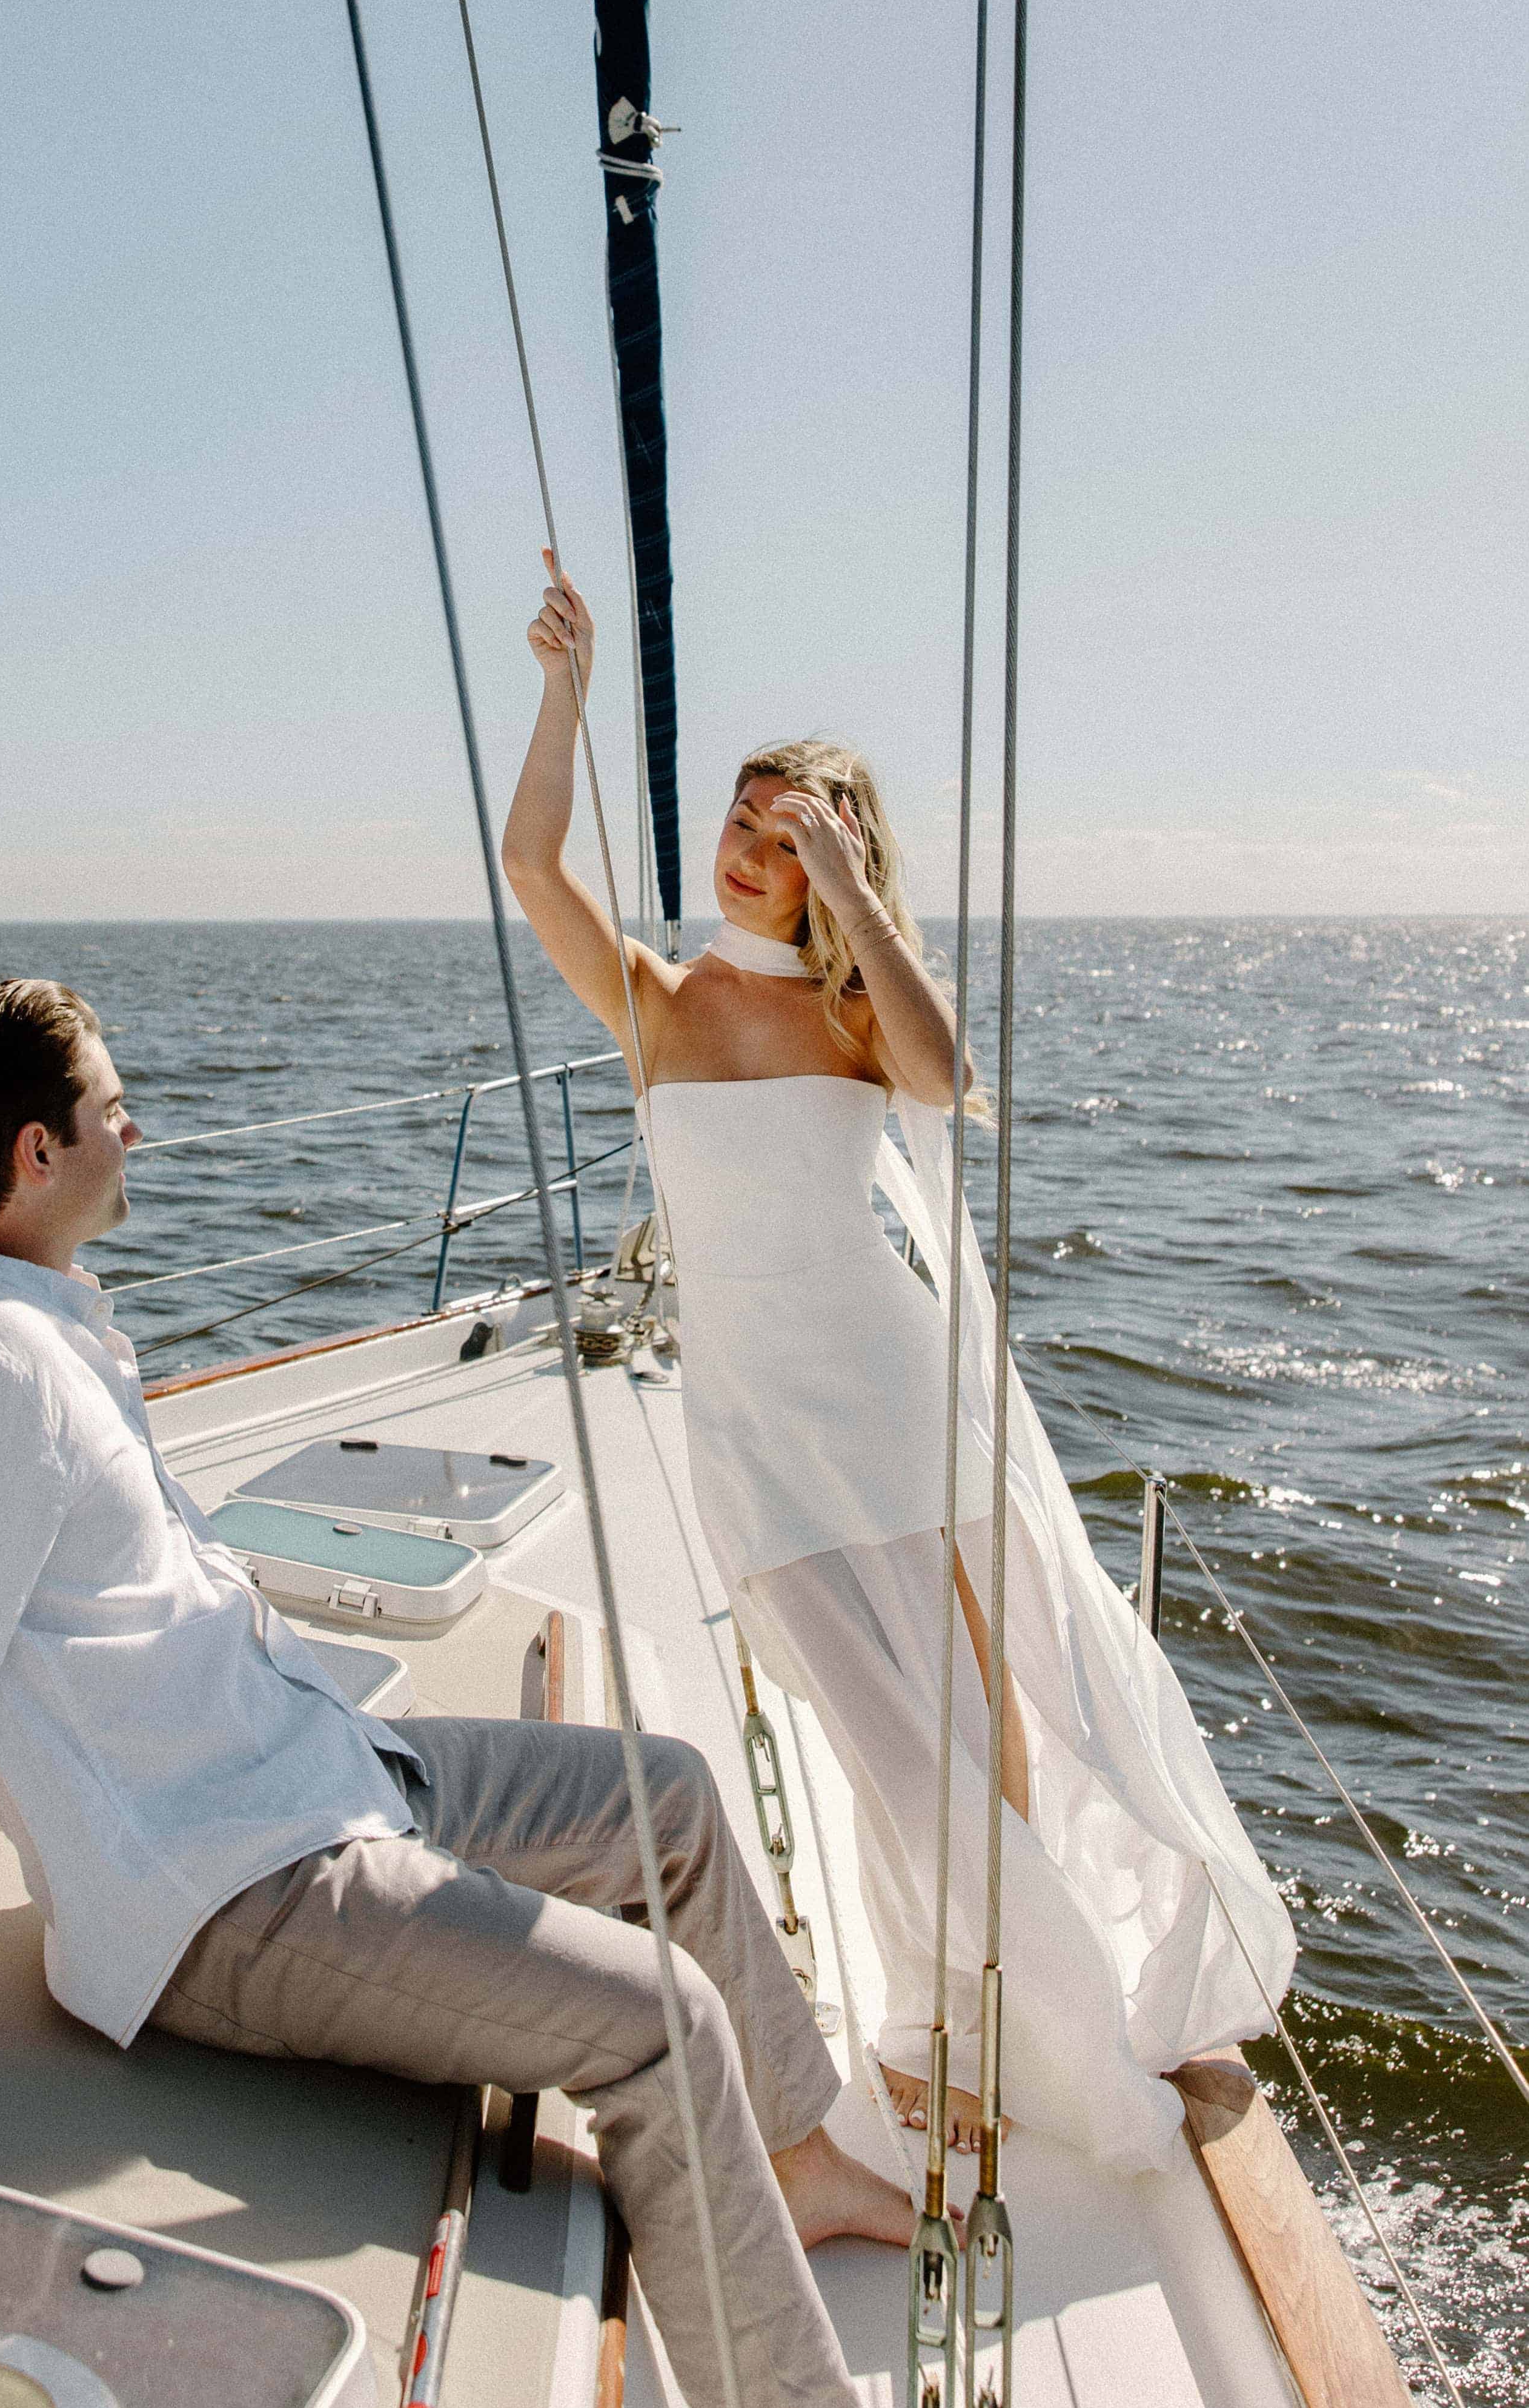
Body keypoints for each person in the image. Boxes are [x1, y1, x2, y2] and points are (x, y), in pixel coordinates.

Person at [0, 975, 917, 2408]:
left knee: (669, 1795)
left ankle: (795, 2162)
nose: (136, 1127)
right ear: (37, 1150)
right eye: (112, 1106)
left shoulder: (42, 1329)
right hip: (235, 1893)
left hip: (315, 1771)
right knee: (663, 2021)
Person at [503, 560, 1296, 2170]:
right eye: (740, 821)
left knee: (978, 1734)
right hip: (754, 1428)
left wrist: (851, 892)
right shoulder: (655, 998)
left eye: (783, 834)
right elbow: (529, 862)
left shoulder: (860, 1016)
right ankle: (978, 2012)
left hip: (896, 1400)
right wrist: (561, 696)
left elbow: (941, 1073)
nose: (747, 850)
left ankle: (954, 2023)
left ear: (834, 861)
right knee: (883, 1746)